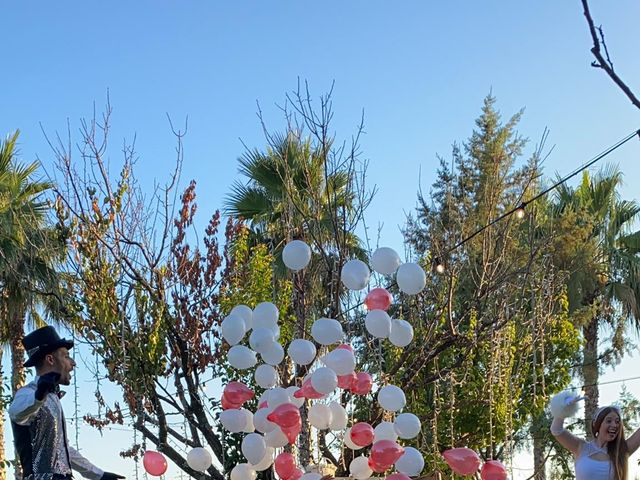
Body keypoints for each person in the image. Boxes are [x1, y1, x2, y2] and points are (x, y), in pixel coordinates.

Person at [9, 325, 125, 480]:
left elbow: (63, 450)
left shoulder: (53, 398)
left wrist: (99, 475)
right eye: (66, 356)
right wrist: (39, 396)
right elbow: (16, 412)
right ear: (50, 359)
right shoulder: (28, 393)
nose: (73, 363)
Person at [550, 391, 640, 480]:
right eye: (609, 421)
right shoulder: (581, 447)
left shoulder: (621, 450)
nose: (614, 425)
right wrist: (563, 409)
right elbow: (556, 430)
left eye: (617, 421)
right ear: (596, 424)